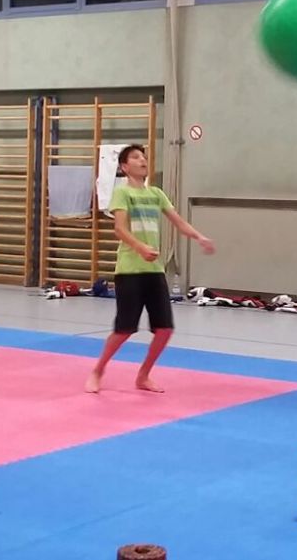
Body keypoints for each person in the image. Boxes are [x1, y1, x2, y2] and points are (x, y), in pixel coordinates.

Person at [85, 144, 214, 394]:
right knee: (124, 329)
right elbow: (119, 229)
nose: (142, 160)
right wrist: (140, 247)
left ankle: (143, 376)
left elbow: (178, 221)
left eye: (144, 157)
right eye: (135, 157)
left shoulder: (156, 193)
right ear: (125, 167)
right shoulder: (122, 193)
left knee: (165, 329)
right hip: (129, 270)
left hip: (154, 270)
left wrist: (199, 237)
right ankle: (98, 370)